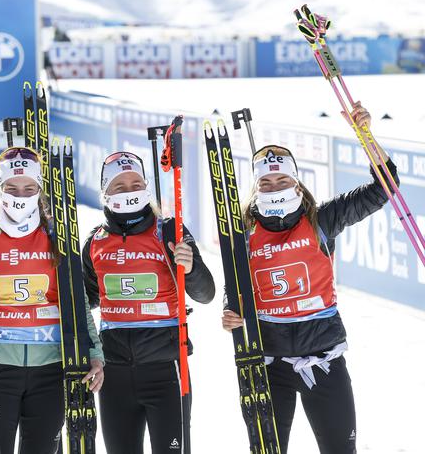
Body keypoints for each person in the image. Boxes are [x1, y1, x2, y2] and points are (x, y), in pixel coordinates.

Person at [222, 104, 398, 454]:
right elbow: (236, 282)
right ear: (256, 186)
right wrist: (231, 309)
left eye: (282, 179)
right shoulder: (244, 230)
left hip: (324, 358)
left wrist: (366, 136)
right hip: (268, 363)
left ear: (296, 181)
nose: (275, 186)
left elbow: (384, 188)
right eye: (266, 181)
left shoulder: (322, 219)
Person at [0, 147, 105, 454]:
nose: (20, 195)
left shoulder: (58, 235)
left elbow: (77, 304)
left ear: (39, 189)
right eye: (12, 187)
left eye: (29, 188)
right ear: (0, 188)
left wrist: (94, 352)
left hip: (52, 371)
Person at [82, 151, 216, 454]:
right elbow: (84, 301)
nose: (129, 192)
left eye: (135, 184)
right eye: (119, 186)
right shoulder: (95, 242)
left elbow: (205, 294)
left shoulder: (168, 230)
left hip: (165, 370)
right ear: (105, 192)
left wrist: (191, 268)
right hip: (114, 374)